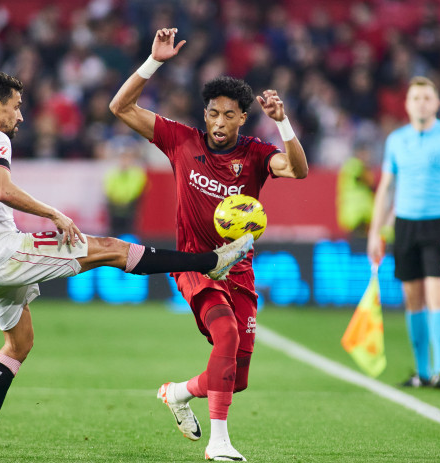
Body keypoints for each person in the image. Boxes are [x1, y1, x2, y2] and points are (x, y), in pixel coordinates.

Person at [0, 71, 254, 458]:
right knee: (111, 249)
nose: (20, 117)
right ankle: (211, 261)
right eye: (17, 108)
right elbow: (2, 189)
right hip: (3, 254)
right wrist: (52, 213)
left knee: (18, 345)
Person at [109, 28, 308, 461]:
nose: (218, 123)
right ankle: (219, 443)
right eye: (212, 114)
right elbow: (119, 107)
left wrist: (283, 122)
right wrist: (154, 61)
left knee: (235, 377)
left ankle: (178, 393)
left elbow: (298, 170)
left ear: (242, 118)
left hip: (239, 268)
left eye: (228, 115)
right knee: (226, 333)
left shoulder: (256, 154)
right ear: (205, 114)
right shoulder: (182, 141)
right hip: (197, 265)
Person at [367, 76, 440, 390]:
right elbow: (386, 189)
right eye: (416, 98)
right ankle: (422, 372)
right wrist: (376, 233)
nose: (421, 103)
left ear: (438, 103)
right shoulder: (397, 140)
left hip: (438, 224)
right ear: (407, 104)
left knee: (438, 296)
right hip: (405, 225)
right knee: (412, 299)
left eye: (427, 98)